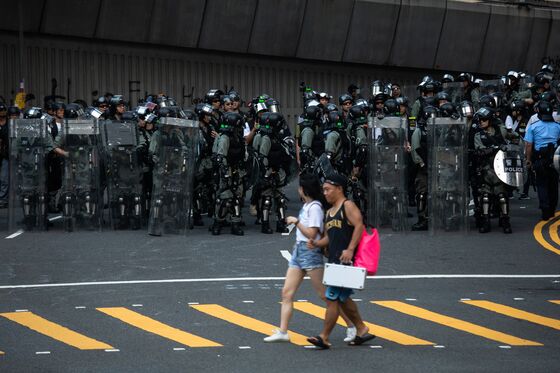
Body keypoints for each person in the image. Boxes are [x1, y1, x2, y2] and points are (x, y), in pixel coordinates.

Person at [306, 173, 375, 349]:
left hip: (345, 262)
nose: (325, 193)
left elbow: (359, 225)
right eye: (324, 190)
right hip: (334, 261)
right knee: (343, 300)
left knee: (332, 299)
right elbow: (329, 237)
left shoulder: (348, 205)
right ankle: (361, 328)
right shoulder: (329, 212)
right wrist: (316, 243)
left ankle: (324, 337)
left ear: (339, 188)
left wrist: (350, 249)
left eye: (328, 189)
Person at [264, 174, 328, 342]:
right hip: (299, 251)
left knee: (324, 294)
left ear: (304, 190)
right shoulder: (307, 205)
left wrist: (296, 222)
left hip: (310, 252)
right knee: (286, 292)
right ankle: (283, 332)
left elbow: (312, 233)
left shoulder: (315, 207)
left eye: (300, 187)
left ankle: (352, 325)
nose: (298, 190)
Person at [524, 100, 560, 221]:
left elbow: (529, 145)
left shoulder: (533, 127)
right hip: (554, 160)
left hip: (540, 159)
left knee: (542, 184)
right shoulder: (557, 126)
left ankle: (545, 210)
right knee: (554, 184)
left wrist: (528, 160)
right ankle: (552, 208)